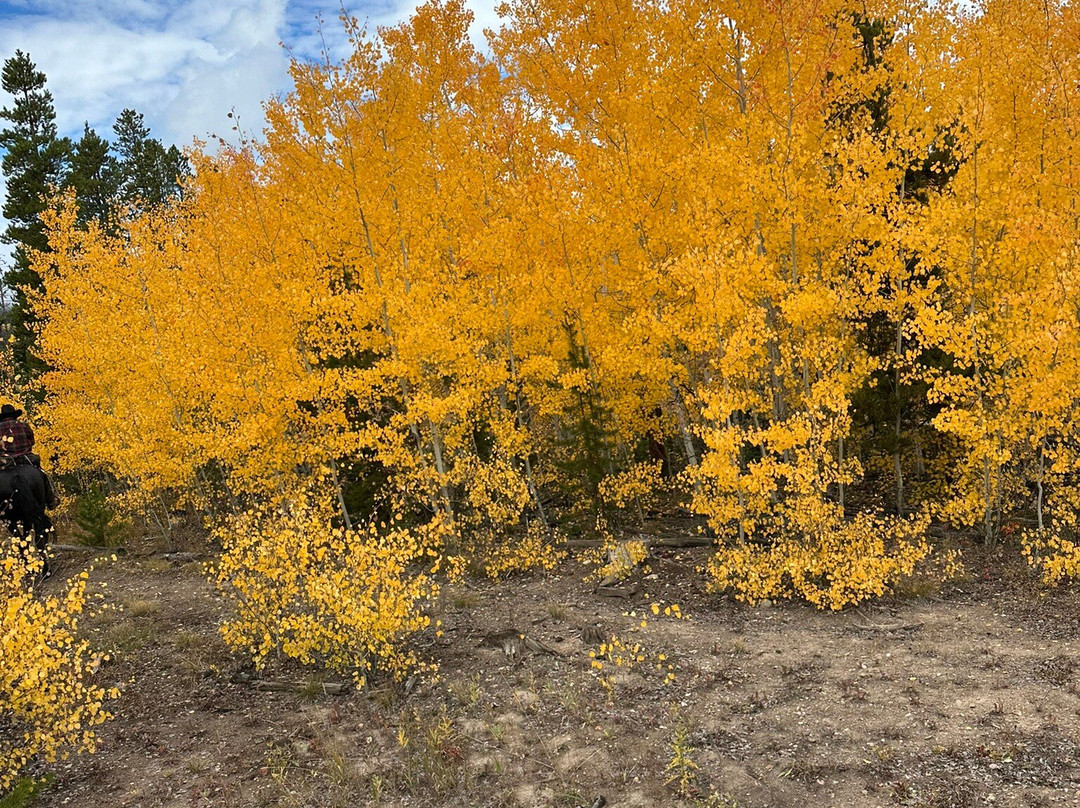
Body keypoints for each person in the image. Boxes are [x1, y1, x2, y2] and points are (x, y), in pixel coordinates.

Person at [0, 403, 60, 508]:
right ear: (15, 415)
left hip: (6, 460)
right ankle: (51, 499)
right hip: (26, 458)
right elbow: (32, 442)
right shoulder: (23, 425)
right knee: (42, 473)